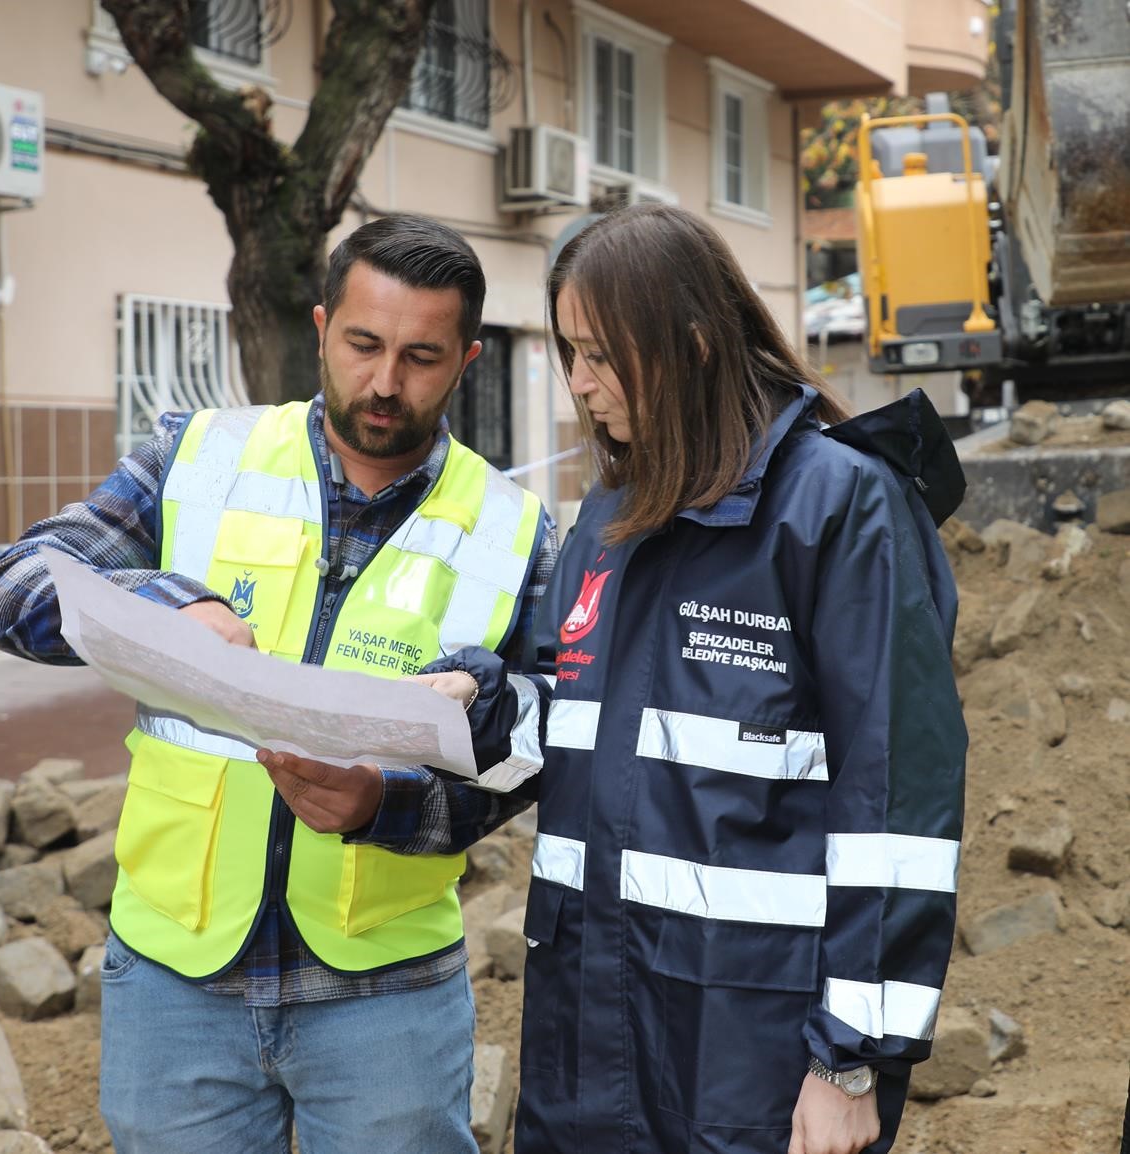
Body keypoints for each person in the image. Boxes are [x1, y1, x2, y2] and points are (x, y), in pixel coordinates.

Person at [0, 213, 557, 1154]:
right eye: (363, 344)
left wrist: (384, 803)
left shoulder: (514, 529)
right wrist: (166, 604)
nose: (383, 381)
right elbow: (10, 591)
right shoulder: (197, 457)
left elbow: (535, 752)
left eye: (419, 356)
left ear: (467, 360)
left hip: (387, 994)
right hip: (175, 975)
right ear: (321, 326)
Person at [404, 204, 969, 1154]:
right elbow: (577, 724)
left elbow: (896, 805)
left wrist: (847, 1061)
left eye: (599, 356)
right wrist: (487, 705)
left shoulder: (837, 506)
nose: (579, 386)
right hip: (585, 1031)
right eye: (569, 353)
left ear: (695, 346)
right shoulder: (614, 513)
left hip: (753, 1051)